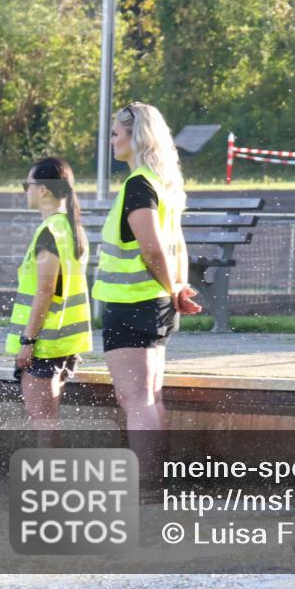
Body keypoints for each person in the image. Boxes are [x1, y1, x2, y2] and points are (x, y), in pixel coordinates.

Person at [92, 102, 201, 443]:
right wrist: (179, 288)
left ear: (135, 137)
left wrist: (173, 289)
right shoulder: (161, 182)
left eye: (115, 134)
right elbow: (178, 244)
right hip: (153, 304)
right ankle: (154, 488)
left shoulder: (139, 185)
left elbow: (152, 248)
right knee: (150, 397)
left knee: (135, 400)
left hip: (132, 304)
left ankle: (147, 490)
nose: (111, 141)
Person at [7, 157, 92, 425]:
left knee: (42, 420)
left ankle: (49, 468)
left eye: (27, 185)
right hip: (65, 341)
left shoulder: (50, 232)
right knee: (48, 419)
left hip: (44, 343)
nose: (26, 191)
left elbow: (45, 292)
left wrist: (27, 342)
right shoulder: (71, 228)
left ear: (43, 189)